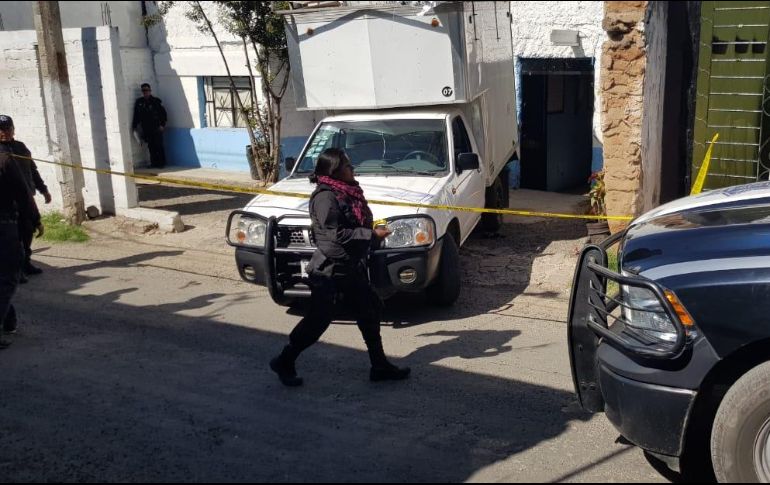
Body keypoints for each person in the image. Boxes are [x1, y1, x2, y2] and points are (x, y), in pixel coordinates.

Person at [270, 148, 411, 387]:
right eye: (347, 165)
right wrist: (370, 234)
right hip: (330, 271)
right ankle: (285, 360)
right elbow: (332, 237)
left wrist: (369, 233)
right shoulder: (325, 197)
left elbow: (352, 224)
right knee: (318, 320)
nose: (352, 168)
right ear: (334, 171)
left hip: (350, 267)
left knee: (369, 312)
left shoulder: (347, 192)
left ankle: (379, 366)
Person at [0, 115, 51, 280]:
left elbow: (32, 170)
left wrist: (43, 190)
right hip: (8, 203)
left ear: (13, 129)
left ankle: (26, 263)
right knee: (14, 237)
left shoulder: (21, 147)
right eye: (1, 130)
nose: (5, 133)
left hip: (26, 198)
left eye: (8, 129)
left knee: (28, 231)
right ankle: (16, 270)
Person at [0, 145, 40, 347]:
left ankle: (8, 321)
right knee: (7, 277)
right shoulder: (5, 161)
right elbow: (23, 195)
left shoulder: (14, 153)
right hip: (4, 226)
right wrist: (35, 219)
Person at [131, 83, 168, 168]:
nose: (145, 92)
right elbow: (136, 115)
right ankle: (154, 163)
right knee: (151, 147)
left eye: (147, 90)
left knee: (158, 145)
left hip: (157, 127)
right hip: (146, 128)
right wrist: (134, 126)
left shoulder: (156, 101)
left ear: (150, 91)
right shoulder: (139, 102)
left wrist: (162, 125)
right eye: (143, 90)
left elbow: (163, 114)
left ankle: (161, 163)